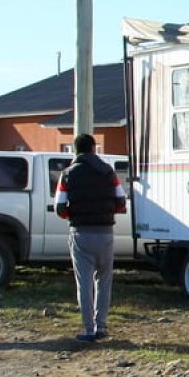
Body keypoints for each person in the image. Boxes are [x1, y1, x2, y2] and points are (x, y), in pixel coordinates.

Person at [56, 134, 127, 343]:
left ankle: (88, 330)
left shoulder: (68, 174)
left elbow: (60, 208)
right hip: (106, 233)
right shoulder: (108, 171)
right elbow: (121, 202)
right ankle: (102, 326)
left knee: (84, 283)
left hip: (81, 233)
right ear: (94, 148)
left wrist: (75, 216)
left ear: (75, 150)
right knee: (104, 281)